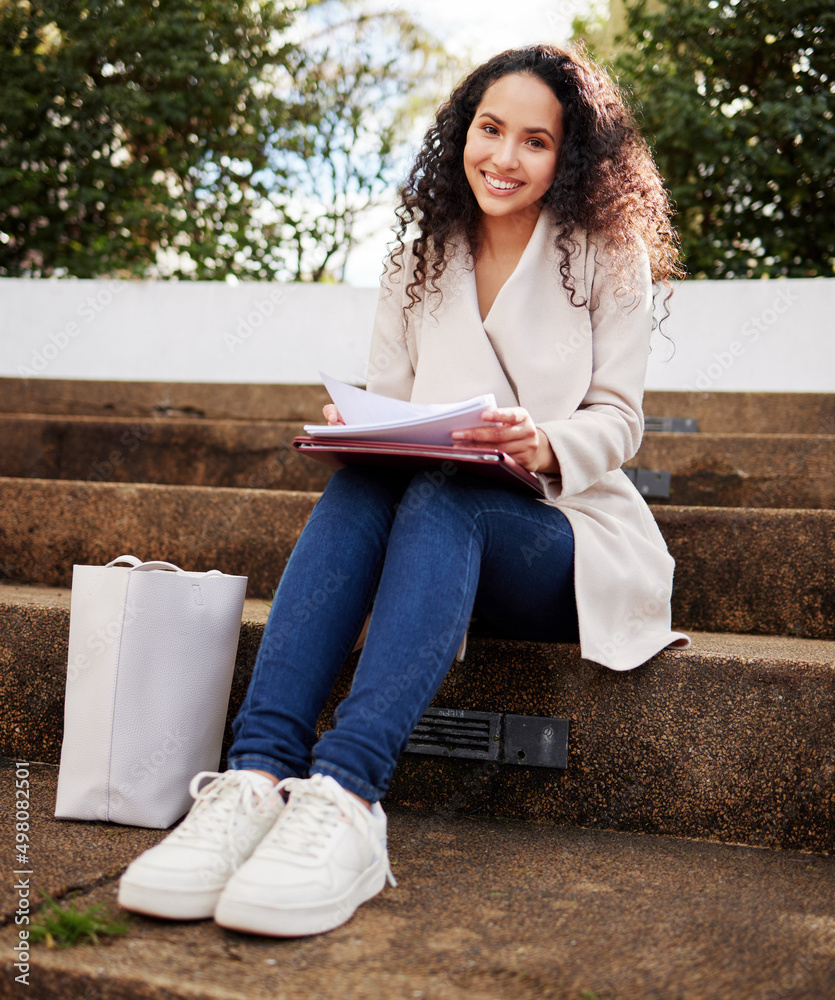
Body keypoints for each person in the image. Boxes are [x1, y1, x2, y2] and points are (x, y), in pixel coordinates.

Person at [118, 43, 690, 938]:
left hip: (561, 538)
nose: (503, 157)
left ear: (568, 156)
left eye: (533, 142)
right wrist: (361, 428)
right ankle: (255, 782)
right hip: (427, 526)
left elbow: (620, 420)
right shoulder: (418, 259)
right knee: (365, 489)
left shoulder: (606, 256)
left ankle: (347, 794)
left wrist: (541, 441)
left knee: (443, 498)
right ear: (462, 132)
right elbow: (390, 402)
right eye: (489, 129)